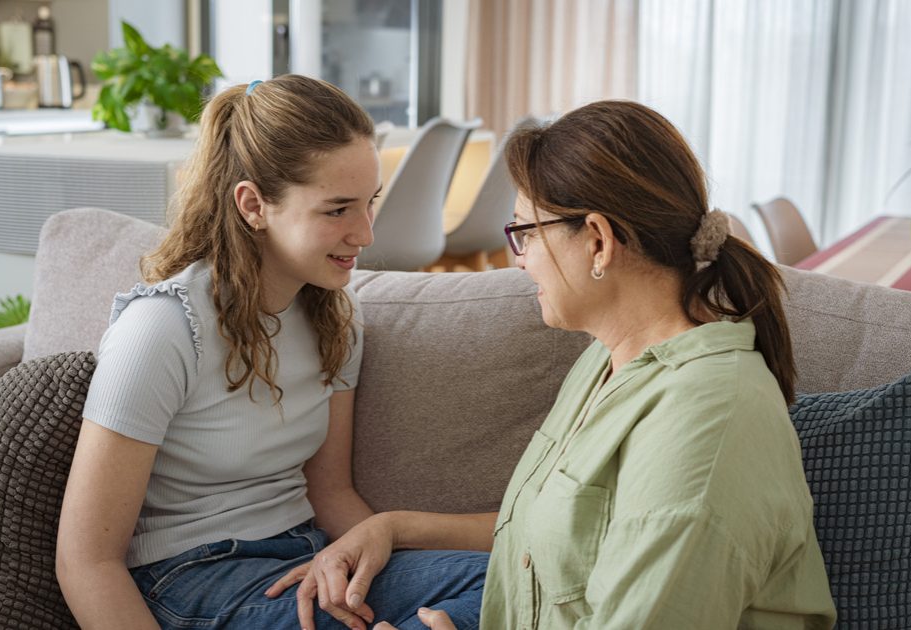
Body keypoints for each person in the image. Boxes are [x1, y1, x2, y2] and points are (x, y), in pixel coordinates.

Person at [279, 100, 838, 629]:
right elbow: (561, 537)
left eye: (524, 232)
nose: (518, 260)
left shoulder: (707, 421)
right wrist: (393, 527)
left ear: (597, 241)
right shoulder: (608, 360)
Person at [55, 75, 488, 630]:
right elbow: (86, 561)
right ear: (254, 205)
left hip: (307, 556)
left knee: (513, 582)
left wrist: (364, 556)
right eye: (337, 210)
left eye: (369, 202)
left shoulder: (337, 317)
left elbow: (329, 491)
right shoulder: (161, 329)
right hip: (191, 578)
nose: (366, 234)